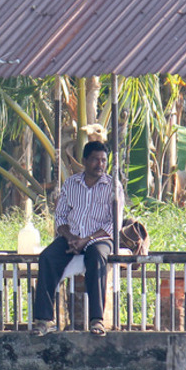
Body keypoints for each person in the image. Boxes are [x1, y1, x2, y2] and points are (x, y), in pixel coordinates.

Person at [31, 140, 124, 337]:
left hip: (99, 237)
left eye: (103, 160)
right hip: (71, 236)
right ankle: (44, 319)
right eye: (95, 160)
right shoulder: (71, 184)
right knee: (47, 257)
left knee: (98, 257)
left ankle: (97, 320)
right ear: (84, 161)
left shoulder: (113, 186)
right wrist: (71, 237)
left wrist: (87, 239)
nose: (100, 164)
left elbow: (114, 223)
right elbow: (61, 216)